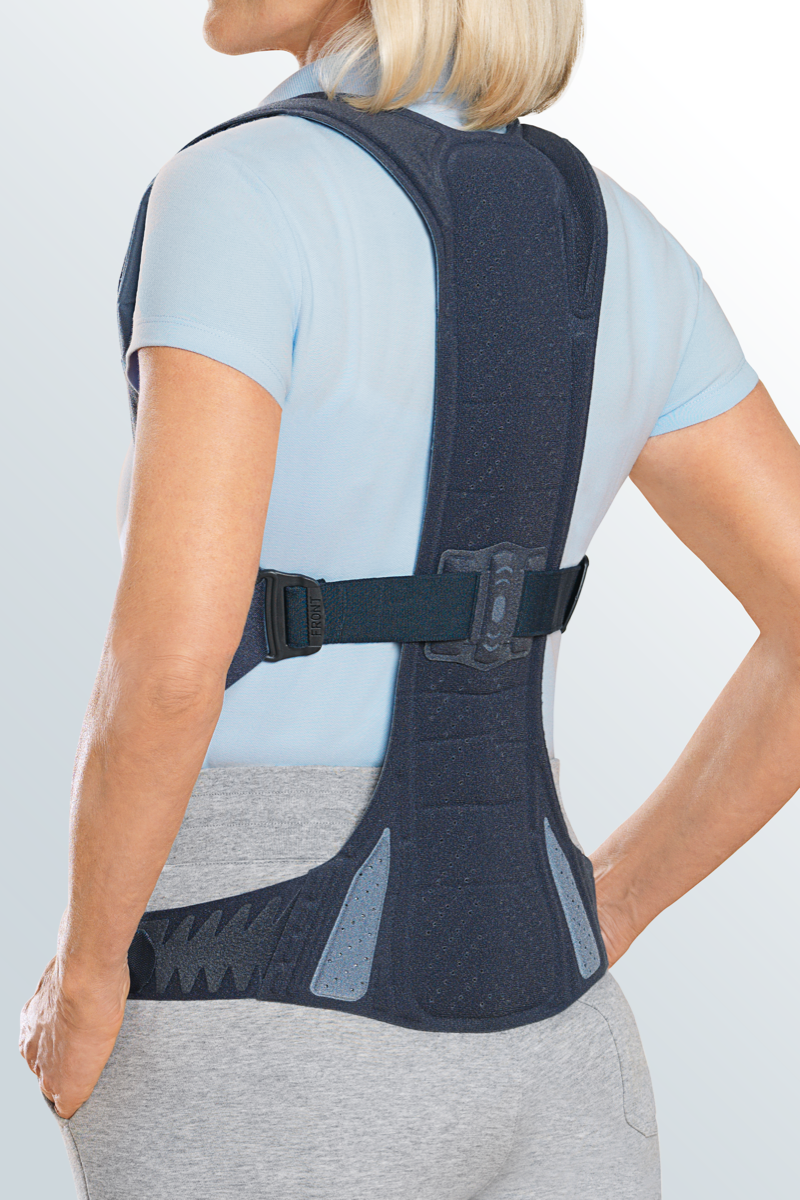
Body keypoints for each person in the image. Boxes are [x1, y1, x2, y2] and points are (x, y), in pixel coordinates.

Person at [19, 1, 800, 1197]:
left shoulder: (236, 194)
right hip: (554, 1024)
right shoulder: (617, 237)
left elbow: (170, 667)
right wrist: (614, 901)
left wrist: (83, 979)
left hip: (257, 1005)